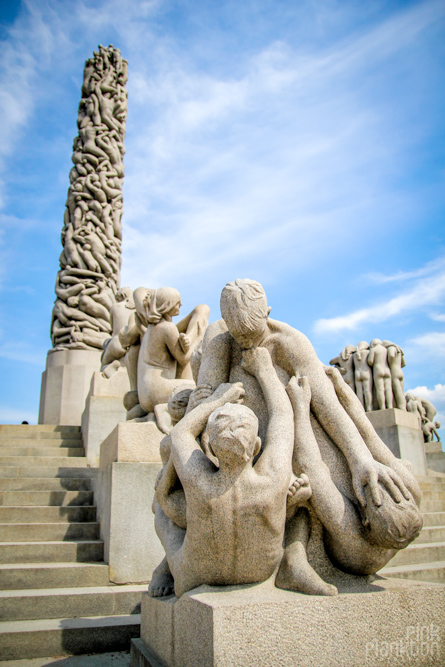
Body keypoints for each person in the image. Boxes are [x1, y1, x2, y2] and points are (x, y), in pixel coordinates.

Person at [197, 280, 409, 509]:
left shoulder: (290, 342)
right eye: (239, 337)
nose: (246, 344)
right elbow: (204, 397)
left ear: (267, 314)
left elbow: (328, 405)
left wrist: (360, 459)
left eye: (252, 335)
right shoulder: (221, 342)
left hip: (287, 442)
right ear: (227, 324)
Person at [152, 346, 294, 599]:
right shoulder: (273, 479)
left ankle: (164, 568)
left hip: (196, 572)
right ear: (257, 446)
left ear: (211, 450)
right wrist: (264, 370)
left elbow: (180, 434)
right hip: (259, 571)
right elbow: (282, 416)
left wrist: (217, 400)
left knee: (162, 510)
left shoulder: (199, 481)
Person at [280, 371, 422, 581]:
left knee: (303, 507)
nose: (376, 486)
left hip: (346, 557)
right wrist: (341, 387)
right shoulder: (410, 489)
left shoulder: (352, 536)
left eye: (371, 500)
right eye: (386, 487)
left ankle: (293, 561)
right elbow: (367, 433)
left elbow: (309, 464)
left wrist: (301, 406)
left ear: (365, 520)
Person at [136, 288, 209, 414]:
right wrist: (199, 337)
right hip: (156, 391)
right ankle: (163, 410)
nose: (180, 305)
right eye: (177, 302)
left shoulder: (153, 328)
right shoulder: (167, 328)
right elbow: (184, 359)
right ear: (167, 304)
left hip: (145, 394)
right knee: (203, 390)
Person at [368, 339, 393, 410]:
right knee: (388, 389)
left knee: (380, 389)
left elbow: (370, 361)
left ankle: (382, 407)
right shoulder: (385, 349)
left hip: (378, 369)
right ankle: (390, 406)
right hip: (387, 369)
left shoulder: (373, 350)